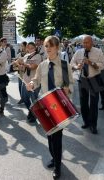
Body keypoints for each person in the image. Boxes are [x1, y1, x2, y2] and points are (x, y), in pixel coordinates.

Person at [27, 36, 74, 179]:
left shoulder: (65, 65)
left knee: (57, 136)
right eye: (46, 46)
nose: (47, 49)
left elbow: (71, 83)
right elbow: (36, 80)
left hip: (59, 105)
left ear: (57, 48)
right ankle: (54, 158)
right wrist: (32, 84)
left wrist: (68, 89)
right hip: (45, 104)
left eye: (51, 46)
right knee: (49, 135)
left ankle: (58, 167)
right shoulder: (42, 65)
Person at [70, 35, 104, 134]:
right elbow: (71, 63)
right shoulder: (78, 52)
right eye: (83, 43)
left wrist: (92, 63)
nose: (85, 44)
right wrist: (77, 66)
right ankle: (86, 122)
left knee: (93, 103)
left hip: (94, 79)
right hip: (83, 79)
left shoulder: (98, 52)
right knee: (83, 103)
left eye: (87, 42)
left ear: (92, 43)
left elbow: (102, 65)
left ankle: (93, 125)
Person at [14, 42, 42, 123]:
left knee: (34, 99)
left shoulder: (38, 56)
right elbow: (23, 69)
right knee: (24, 98)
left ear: (35, 48)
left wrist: (23, 63)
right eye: (28, 48)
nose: (30, 49)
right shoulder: (26, 56)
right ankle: (32, 111)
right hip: (25, 79)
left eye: (32, 48)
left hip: (34, 81)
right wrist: (18, 64)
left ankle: (33, 115)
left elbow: (32, 67)